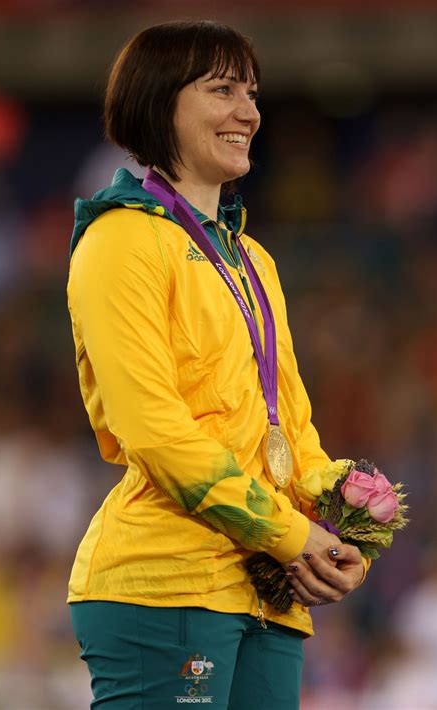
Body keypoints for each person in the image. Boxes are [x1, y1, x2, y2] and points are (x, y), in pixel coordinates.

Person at [67, 20, 368, 709]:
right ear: (158, 101)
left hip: (267, 589)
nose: (250, 113)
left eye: (253, 93)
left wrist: (343, 526)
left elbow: (290, 428)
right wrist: (295, 536)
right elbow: (154, 431)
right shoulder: (121, 242)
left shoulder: (252, 259)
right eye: (223, 90)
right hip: (164, 583)